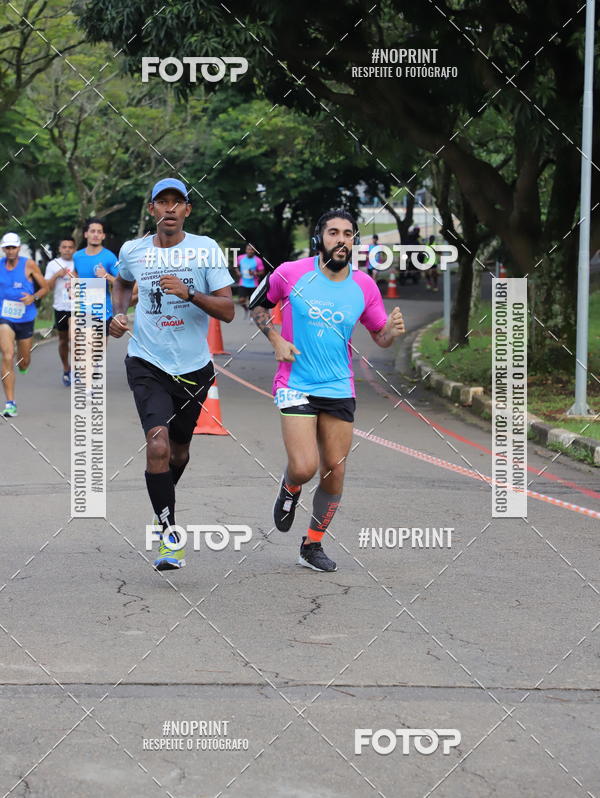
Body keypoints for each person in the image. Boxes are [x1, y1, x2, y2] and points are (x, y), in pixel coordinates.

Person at [249, 210, 405, 572]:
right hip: (295, 383)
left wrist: (392, 333)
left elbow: (379, 335)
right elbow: (257, 304)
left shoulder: (364, 286)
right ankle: (290, 486)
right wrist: (275, 338)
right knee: (305, 468)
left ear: (354, 241)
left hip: (339, 386)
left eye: (348, 234)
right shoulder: (290, 273)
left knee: (334, 471)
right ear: (320, 236)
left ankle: (312, 544)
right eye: (333, 232)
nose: (341, 240)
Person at [109, 177, 234, 571]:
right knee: (158, 445)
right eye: (161, 203)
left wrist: (190, 293)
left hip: (194, 368)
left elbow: (228, 310)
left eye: (176, 203)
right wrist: (118, 312)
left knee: (179, 449)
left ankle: (161, 499)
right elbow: (122, 281)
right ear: (152, 211)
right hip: (146, 362)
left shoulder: (206, 250)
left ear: (187, 211)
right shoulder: (133, 250)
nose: (169, 209)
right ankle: (168, 534)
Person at [0, 232, 48, 417]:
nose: (10, 251)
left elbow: (45, 287)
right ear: (4, 249)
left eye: (13, 247)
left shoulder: (28, 264)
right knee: (7, 355)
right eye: (7, 248)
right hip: (4, 317)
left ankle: (24, 365)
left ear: (19, 248)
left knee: (23, 360)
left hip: (26, 317)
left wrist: (33, 297)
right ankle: (10, 403)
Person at [72, 218, 118, 334]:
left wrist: (107, 275)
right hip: (82, 309)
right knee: (82, 350)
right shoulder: (77, 256)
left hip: (103, 312)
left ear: (103, 236)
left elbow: (122, 283)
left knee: (97, 351)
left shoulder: (110, 257)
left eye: (99, 232)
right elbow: (75, 274)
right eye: (93, 231)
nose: (96, 235)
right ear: (86, 234)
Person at [45, 237, 76, 385]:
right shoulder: (52, 265)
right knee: (63, 340)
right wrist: (57, 275)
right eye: (64, 247)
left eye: (70, 247)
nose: (67, 249)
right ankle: (66, 368)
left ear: (74, 249)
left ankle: (79, 369)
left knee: (74, 339)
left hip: (78, 307)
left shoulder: (80, 262)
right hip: (60, 307)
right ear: (59, 249)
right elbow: (47, 287)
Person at [236, 244, 265, 318]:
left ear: (254, 251)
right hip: (243, 283)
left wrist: (255, 273)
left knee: (252, 302)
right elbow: (235, 266)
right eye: (248, 249)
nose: (250, 251)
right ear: (246, 250)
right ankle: (246, 309)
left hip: (254, 284)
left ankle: (251, 314)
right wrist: (238, 272)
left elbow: (262, 272)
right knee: (241, 300)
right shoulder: (240, 258)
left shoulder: (258, 260)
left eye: (252, 249)